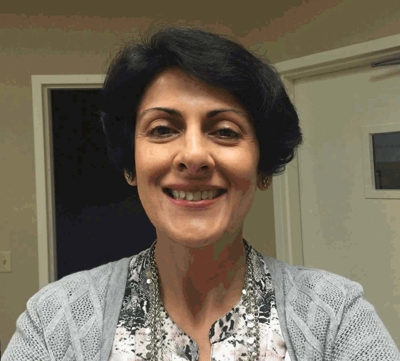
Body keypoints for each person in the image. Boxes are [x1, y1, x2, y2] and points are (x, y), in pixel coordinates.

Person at [3, 26, 399, 361]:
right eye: (162, 129)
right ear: (130, 165)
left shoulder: (334, 317)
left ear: (263, 168)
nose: (193, 156)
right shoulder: (57, 320)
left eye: (225, 131)